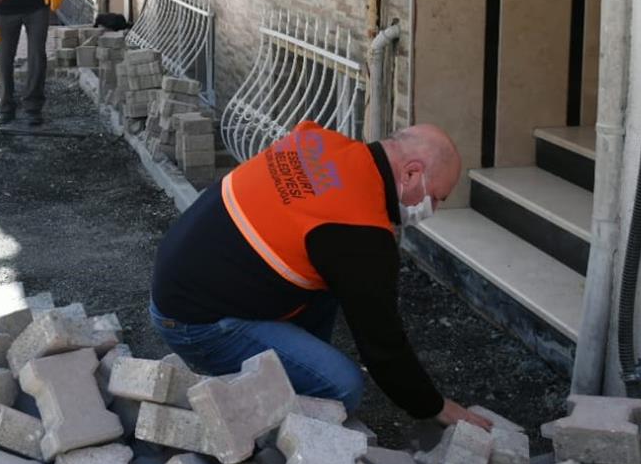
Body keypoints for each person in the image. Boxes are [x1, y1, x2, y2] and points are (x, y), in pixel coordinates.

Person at [150, 121, 493, 431]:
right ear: (411, 174)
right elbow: (383, 345)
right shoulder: (360, 233)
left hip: (181, 280)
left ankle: (291, 367)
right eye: (436, 198)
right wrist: (434, 405)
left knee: (332, 279)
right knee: (342, 385)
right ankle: (247, 418)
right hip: (195, 324)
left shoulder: (320, 142)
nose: (434, 209)